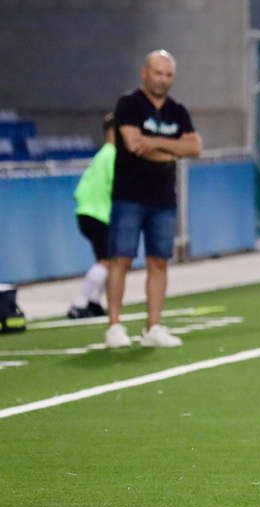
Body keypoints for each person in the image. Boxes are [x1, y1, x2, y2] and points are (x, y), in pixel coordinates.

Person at [104, 49, 202, 348]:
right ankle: (114, 325)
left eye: (168, 74)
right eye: (158, 73)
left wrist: (156, 144)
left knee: (159, 261)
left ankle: (153, 326)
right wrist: (174, 148)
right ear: (144, 73)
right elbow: (134, 145)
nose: (163, 79)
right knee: (120, 259)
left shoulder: (178, 110)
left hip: (163, 198)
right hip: (129, 195)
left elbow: (195, 148)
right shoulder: (129, 104)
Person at [68, 113, 116, 319]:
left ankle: (94, 301)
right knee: (106, 261)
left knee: (111, 260)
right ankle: (80, 303)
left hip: (87, 212)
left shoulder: (102, 154)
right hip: (98, 214)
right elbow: (117, 187)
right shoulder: (113, 155)